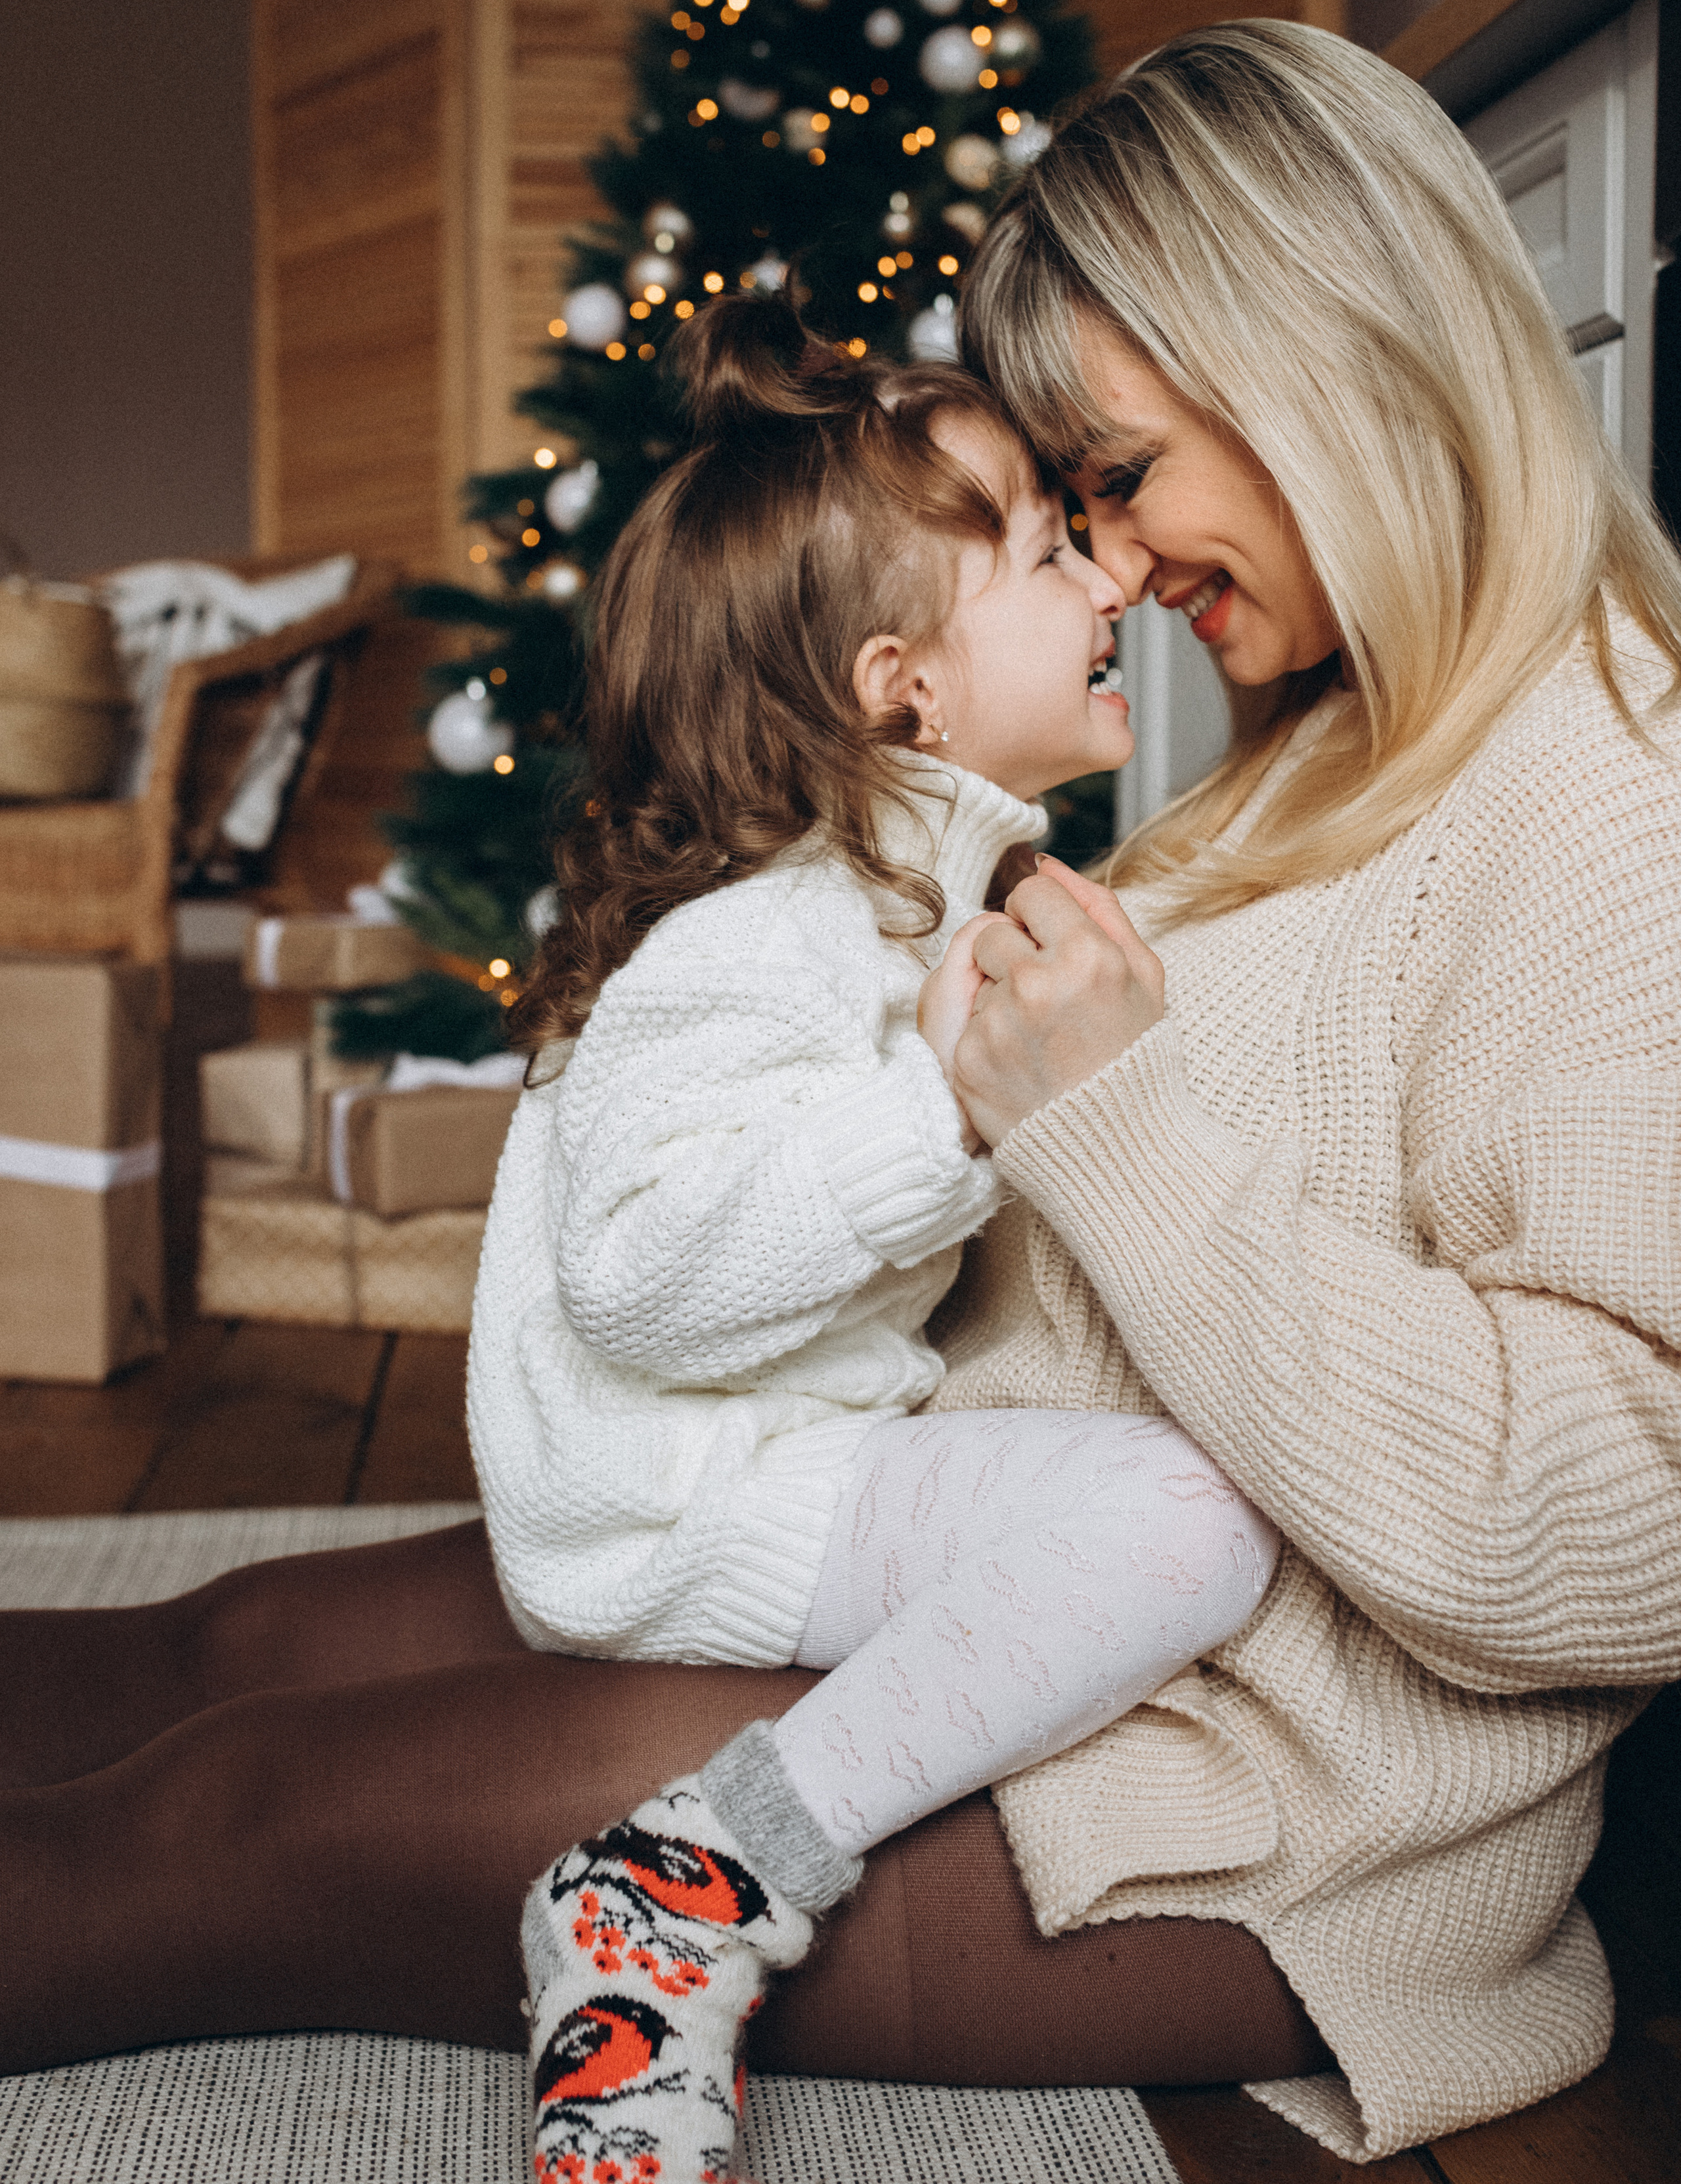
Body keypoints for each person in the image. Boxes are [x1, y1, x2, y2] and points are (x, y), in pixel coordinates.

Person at [1, 14, 1674, 2173]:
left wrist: (1112, 1132)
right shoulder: (1311, 740)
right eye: (1072, 505)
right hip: (920, 1548)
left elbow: (1626, 1532)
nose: (1117, 562)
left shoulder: (1604, 795)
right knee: (218, 1655)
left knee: (225, 1827)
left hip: (1223, 1789)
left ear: (1323, 360)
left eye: (1121, 475)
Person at [468, 295, 1279, 2184]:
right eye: (1049, 543)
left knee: (1153, 1517)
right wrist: (945, 1114)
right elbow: (641, 1274)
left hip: (775, 1458)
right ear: (902, 684)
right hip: (690, 1503)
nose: (1110, 575)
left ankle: (678, 1880)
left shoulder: (904, 899)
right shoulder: (765, 933)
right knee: (1189, 1515)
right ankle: (685, 1883)